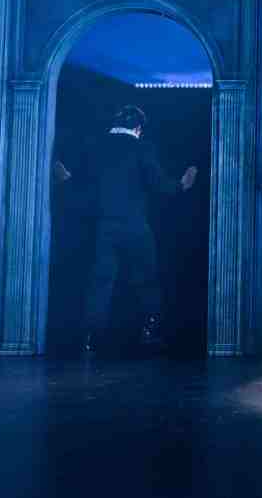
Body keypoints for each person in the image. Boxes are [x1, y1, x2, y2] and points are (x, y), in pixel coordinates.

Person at [54, 105, 197, 356]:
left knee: (100, 282)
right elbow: (158, 184)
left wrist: (66, 180)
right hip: (135, 225)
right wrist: (182, 184)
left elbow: (81, 184)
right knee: (146, 279)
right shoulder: (142, 148)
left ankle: (90, 338)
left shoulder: (96, 146)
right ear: (138, 128)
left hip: (104, 226)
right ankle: (149, 331)